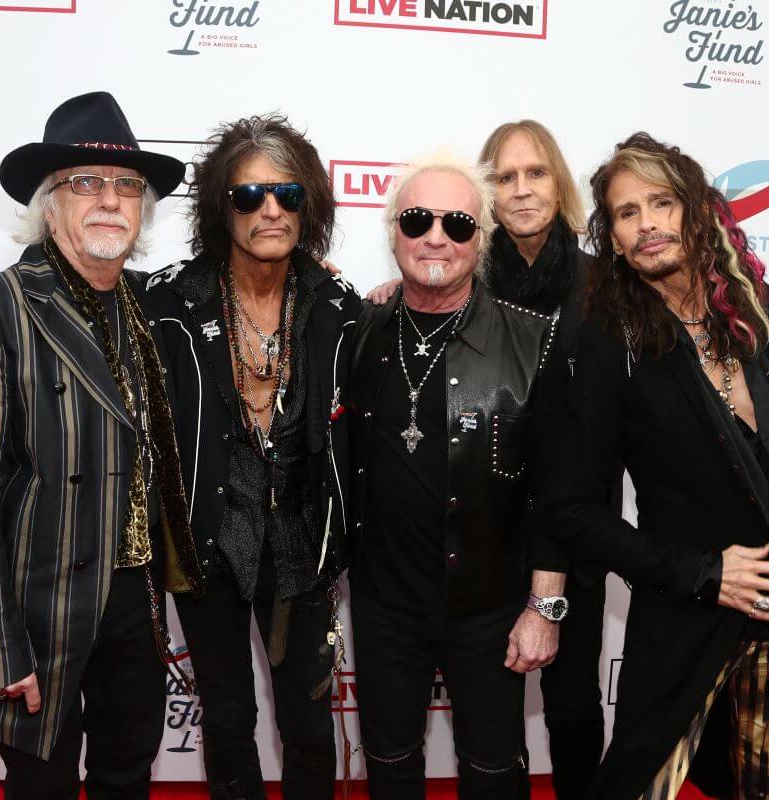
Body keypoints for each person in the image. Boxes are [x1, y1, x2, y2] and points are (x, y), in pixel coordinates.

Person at [533, 132, 769, 800]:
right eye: (625, 212)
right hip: (683, 625)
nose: (647, 223)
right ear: (611, 238)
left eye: (662, 202)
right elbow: (570, 508)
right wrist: (703, 574)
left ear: (697, 212)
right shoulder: (611, 340)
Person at [0, 91, 196, 799]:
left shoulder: (154, 305)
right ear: (49, 202)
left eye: (127, 185)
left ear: (143, 210)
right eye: (86, 182)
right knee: (40, 787)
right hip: (40, 602)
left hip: (137, 597)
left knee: (127, 777)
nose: (109, 199)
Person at [367, 122, 613, 798]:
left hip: (549, 550)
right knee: (398, 758)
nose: (437, 235)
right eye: (505, 177)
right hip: (412, 587)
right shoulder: (374, 325)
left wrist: (546, 596)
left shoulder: (603, 289)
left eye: (535, 173)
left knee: (565, 712)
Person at [144, 113, 359, 800]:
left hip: (301, 544)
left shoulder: (338, 305)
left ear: (311, 206)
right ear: (220, 209)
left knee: (308, 722)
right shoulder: (168, 301)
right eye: (249, 196)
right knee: (229, 719)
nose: (271, 209)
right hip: (208, 542)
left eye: (289, 195)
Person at [347, 155, 558, 799]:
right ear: (393, 236)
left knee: (494, 773)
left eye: (458, 224)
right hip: (383, 603)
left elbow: (558, 494)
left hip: (490, 606)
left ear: (481, 242)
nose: (436, 236)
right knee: (388, 767)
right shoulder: (358, 329)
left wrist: (544, 607)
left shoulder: (533, 342)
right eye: (417, 219)